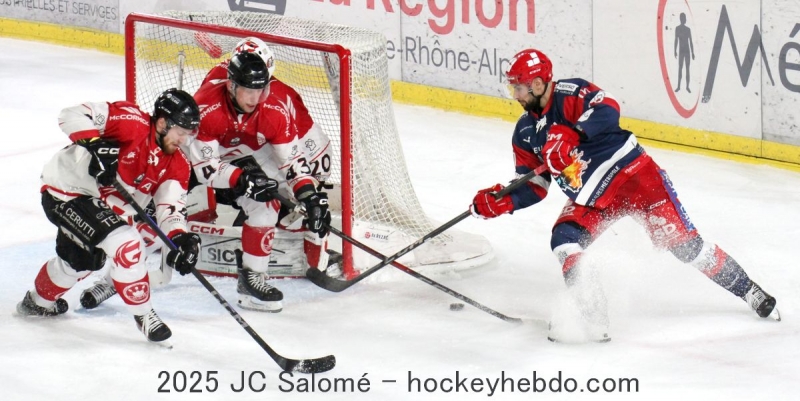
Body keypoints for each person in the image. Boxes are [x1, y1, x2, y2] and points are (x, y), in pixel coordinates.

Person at [470, 49, 780, 343]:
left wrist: (573, 132)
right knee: (564, 239)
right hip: (592, 197)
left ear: (538, 83)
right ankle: (593, 313)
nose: (516, 95)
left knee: (688, 249)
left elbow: (609, 109)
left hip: (635, 180)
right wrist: (501, 201)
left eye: (519, 87)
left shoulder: (569, 93)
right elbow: (535, 184)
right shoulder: (525, 131)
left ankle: (748, 289)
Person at [16, 88, 202, 344]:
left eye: (188, 134)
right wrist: (95, 145)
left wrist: (181, 238)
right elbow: (71, 115)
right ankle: (145, 316)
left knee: (80, 263)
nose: (183, 140)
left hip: (98, 205)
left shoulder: (178, 164)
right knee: (126, 242)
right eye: (180, 132)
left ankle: (37, 303)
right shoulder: (131, 122)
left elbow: (170, 210)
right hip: (67, 190)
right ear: (162, 123)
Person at [185, 37, 333, 313]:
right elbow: (206, 168)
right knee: (167, 193)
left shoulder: (274, 109)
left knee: (267, 203)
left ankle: (251, 280)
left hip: (248, 149)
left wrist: (309, 196)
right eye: (248, 91)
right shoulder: (207, 107)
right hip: (208, 158)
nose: (256, 98)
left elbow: (292, 164)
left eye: (261, 90)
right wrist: (243, 180)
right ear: (232, 86)